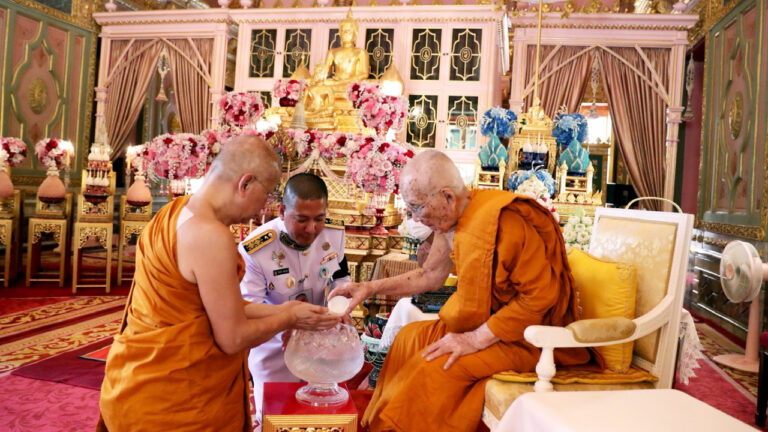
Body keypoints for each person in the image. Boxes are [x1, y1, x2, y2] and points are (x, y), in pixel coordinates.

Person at [329, 150, 590, 432]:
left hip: (525, 337)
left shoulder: (506, 222)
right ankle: (384, 422)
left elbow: (539, 297)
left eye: (417, 207)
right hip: (488, 324)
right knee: (408, 339)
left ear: (447, 197)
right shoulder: (450, 221)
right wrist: (369, 288)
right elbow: (429, 275)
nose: (415, 219)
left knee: (437, 365)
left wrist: (476, 339)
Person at [98, 136, 340, 432]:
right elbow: (233, 338)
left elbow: (219, 307)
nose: (262, 209)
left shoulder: (172, 213)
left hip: (135, 381)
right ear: (245, 183)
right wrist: (288, 319)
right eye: (266, 194)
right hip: (175, 402)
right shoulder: (211, 236)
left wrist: (287, 309)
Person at [238, 172, 351, 423]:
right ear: (282, 211)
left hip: (321, 344)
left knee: (319, 415)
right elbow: (248, 307)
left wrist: (341, 305)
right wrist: (288, 320)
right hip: (274, 346)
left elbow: (340, 277)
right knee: (276, 417)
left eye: (319, 219)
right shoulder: (256, 249)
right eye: (302, 220)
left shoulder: (334, 234)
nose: (312, 229)